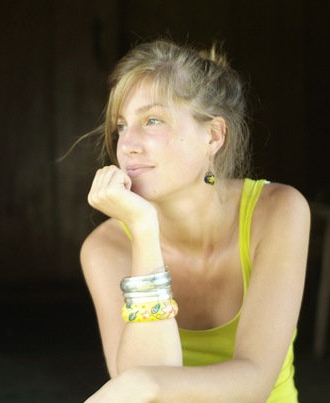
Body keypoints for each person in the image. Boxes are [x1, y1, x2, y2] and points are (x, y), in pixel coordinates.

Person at [80, 39, 310, 402]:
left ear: (213, 136)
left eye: (152, 120)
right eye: (121, 126)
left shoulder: (278, 212)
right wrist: (144, 232)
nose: (127, 145)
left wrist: (147, 383)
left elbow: (255, 382)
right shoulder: (105, 247)